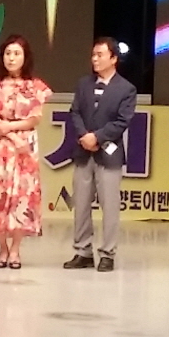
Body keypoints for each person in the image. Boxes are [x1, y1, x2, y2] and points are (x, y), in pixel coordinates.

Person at [0, 33, 51, 268]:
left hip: (25, 147)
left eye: (17, 53)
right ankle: (2, 248)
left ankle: (16, 250)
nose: (11, 58)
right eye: (8, 53)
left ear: (25, 57)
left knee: (22, 196)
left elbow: (35, 119)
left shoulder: (36, 87)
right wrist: (10, 133)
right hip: (0, 146)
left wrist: (16, 133)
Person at [64, 36, 136, 271]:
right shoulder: (83, 84)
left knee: (110, 206)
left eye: (100, 55)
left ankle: (108, 253)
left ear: (113, 58)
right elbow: (75, 112)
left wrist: (97, 137)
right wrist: (84, 136)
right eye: (93, 55)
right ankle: (82, 251)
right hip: (83, 152)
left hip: (109, 155)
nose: (95, 59)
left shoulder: (126, 89)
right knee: (81, 204)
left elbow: (122, 121)